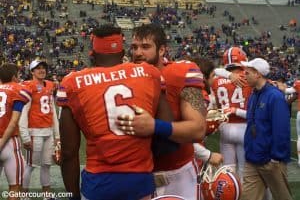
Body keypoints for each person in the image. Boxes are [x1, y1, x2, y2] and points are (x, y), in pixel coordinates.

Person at [56, 25, 174, 200]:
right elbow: (166, 132)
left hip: (98, 183)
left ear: (92, 54)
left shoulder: (72, 82)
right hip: (140, 181)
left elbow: (68, 153)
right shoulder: (150, 73)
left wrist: (73, 196)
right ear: (122, 53)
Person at [117, 24, 207, 200]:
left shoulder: (180, 72)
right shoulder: (124, 74)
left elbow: (198, 129)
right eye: (134, 47)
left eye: (145, 47)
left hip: (177, 172)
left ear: (162, 50)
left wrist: (154, 126)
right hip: (138, 175)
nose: (138, 53)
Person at [240, 58, 292, 200]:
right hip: (253, 158)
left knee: (282, 197)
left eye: (248, 72)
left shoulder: (275, 97)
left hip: (270, 160)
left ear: (257, 74)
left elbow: (281, 130)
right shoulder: (253, 95)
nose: (245, 75)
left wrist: (275, 158)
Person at [19, 60, 60, 199]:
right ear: (32, 71)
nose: (41, 70)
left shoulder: (49, 85)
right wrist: (24, 136)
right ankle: (24, 195)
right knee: (31, 165)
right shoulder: (28, 86)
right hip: (34, 132)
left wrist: (57, 134)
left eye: (43, 68)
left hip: (48, 131)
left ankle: (47, 195)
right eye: (38, 68)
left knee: (47, 165)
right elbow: (24, 112)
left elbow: (53, 110)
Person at [210, 47, 252, 180]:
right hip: (244, 126)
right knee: (244, 171)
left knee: (228, 171)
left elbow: (210, 71)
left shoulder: (216, 79)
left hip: (225, 127)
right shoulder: (248, 77)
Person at [0, 63, 31, 200]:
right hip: (8, 142)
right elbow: (13, 123)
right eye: (18, 76)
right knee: (15, 188)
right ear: (14, 77)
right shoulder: (18, 89)